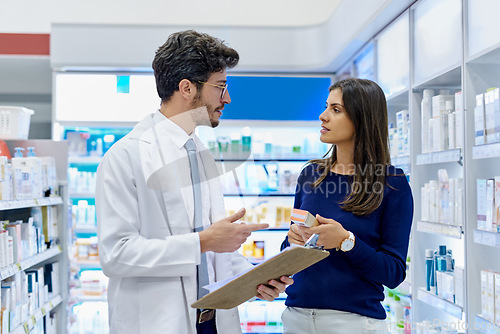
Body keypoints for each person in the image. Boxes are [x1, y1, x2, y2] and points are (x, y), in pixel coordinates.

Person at [95, 30, 292, 334]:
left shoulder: (201, 154)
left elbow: (211, 256)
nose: (227, 98)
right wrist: (203, 241)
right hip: (159, 323)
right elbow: (116, 256)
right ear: (187, 88)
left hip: (213, 322)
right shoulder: (126, 156)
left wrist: (255, 279)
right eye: (220, 87)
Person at [280, 77, 413, 334]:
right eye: (326, 106)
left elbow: (394, 273)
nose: (323, 116)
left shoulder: (392, 184)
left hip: (353, 324)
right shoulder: (310, 175)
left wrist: (346, 241)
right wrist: (291, 242)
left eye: (336, 110)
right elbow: (290, 249)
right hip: (296, 318)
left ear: (362, 118)